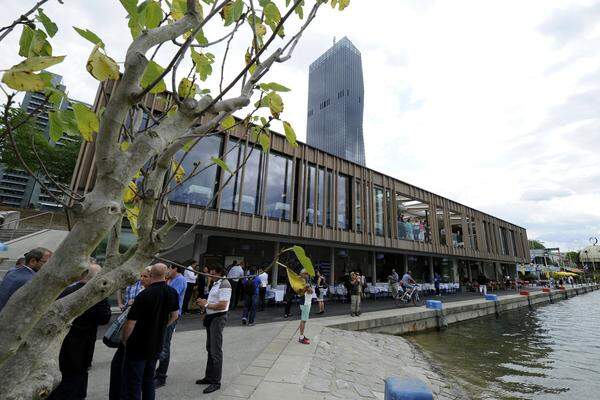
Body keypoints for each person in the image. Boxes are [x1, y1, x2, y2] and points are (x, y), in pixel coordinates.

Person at [48, 263, 111, 400]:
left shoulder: (66, 291)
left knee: (64, 376)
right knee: (77, 377)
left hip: (62, 342)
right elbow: (104, 318)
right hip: (83, 343)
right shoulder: (96, 294)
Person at [121, 263, 179, 400]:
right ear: (165, 275)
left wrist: (125, 340)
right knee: (148, 380)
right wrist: (161, 326)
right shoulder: (172, 292)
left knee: (134, 382)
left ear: (151, 275)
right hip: (156, 343)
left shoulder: (144, 295)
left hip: (138, 345)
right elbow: (175, 315)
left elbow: (130, 323)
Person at [109, 267, 151, 400]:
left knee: (134, 375)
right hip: (132, 333)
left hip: (135, 336)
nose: (142, 279)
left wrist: (125, 339)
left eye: (145, 276)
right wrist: (126, 304)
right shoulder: (141, 288)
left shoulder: (149, 293)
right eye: (141, 276)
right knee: (121, 368)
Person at [196, 265, 231, 394]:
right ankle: (209, 376)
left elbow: (223, 305)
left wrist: (206, 304)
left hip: (218, 318)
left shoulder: (225, 284)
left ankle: (216, 382)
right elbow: (215, 301)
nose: (209, 274)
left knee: (216, 350)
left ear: (219, 272)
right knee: (210, 347)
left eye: (211, 271)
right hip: (211, 317)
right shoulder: (216, 283)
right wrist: (205, 304)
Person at [155, 264, 187, 388]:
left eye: (169, 269)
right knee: (161, 343)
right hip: (166, 314)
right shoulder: (172, 279)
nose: (168, 271)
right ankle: (159, 372)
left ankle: (161, 376)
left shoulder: (180, 280)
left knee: (164, 345)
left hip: (171, 315)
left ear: (175, 269)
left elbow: (170, 296)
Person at [0, 247, 51, 312]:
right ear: (32, 261)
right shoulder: (32, 280)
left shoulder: (12, 271)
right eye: (48, 263)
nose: (51, 266)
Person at [298, 271, 313, 345]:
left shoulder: (305, 282)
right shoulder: (302, 282)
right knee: (303, 320)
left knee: (304, 320)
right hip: (305, 303)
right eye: (306, 273)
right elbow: (310, 291)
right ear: (302, 274)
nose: (307, 275)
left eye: (308, 273)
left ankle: (302, 335)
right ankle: (301, 337)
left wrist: (308, 286)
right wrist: (307, 287)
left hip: (307, 302)